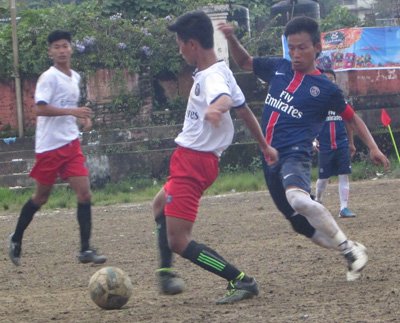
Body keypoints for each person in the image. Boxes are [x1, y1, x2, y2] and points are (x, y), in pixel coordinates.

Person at [219, 17, 390, 281]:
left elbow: (352, 117)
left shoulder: (325, 88)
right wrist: (230, 38)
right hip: (269, 156)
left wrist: (374, 148)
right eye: (292, 48)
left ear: (317, 47)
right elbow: (245, 62)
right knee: (300, 225)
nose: (296, 54)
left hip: (295, 153)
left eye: (302, 47)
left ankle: (349, 250)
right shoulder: (279, 67)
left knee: (298, 199)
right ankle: (351, 250)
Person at [153, 11, 278, 305]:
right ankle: (166, 273)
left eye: (179, 43)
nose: (179, 49)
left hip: (193, 163)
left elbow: (223, 99)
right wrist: (264, 145)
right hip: (195, 160)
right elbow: (245, 111)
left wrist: (216, 109)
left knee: (179, 241)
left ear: (193, 44)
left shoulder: (212, 78)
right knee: (159, 205)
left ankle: (240, 280)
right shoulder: (221, 70)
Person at [8, 30, 107, 266]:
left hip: (70, 143)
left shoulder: (76, 77)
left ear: (71, 48)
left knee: (85, 193)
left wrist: (83, 119)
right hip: (49, 147)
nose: (62, 50)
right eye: (57, 47)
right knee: (40, 198)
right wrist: (73, 112)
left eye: (65, 46)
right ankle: (16, 237)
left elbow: (72, 107)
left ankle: (85, 249)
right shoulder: (48, 78)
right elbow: (40, 109)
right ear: (50, 52)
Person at [314, 69, 356, 218]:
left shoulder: (341, 102)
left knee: (344, 174)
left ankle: (344, 208)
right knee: (323, 178)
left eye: (332, 79)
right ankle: (318, 201)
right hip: (325, 144)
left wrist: (351, 143)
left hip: (341, 143)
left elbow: (349, 122)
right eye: (326, 78)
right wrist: (313, 140)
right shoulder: (316, 102)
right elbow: (310, 122)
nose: (329, 81)